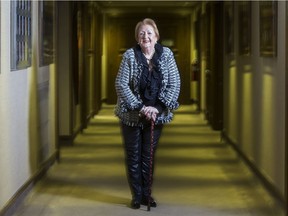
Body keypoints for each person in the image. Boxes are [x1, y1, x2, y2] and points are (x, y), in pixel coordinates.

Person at [114, 18, 181, 209]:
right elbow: (121, 84)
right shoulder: (129, 56)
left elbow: (175, 84)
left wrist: (158, 108)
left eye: (149, 33)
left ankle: (147, 195)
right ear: (137, 38)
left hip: (156, 115)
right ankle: (136, 195)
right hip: (132, 115)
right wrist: (141, 107)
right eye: (142, 33)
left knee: (148, 156)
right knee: (133, 156)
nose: (146, 37)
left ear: (156, 36)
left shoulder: (166, 55)